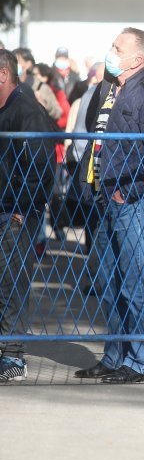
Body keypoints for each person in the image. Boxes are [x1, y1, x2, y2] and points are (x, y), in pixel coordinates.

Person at [74, 27, 144, 384]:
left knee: (137, 283)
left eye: (118, 48)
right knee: (112, 282)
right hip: (106, 198)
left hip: (132, 200)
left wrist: (129, 191)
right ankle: (115, 354)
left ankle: (139, 361)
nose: (110, 52)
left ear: (137, 59)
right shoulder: (111, 89)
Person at [0, 49, 56, 381]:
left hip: (16, 213)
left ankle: (14, 356)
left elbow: (41, 167)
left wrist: (22, 207)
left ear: (3, 75)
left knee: (11, 283)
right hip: (5, 208)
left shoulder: (27, 111)